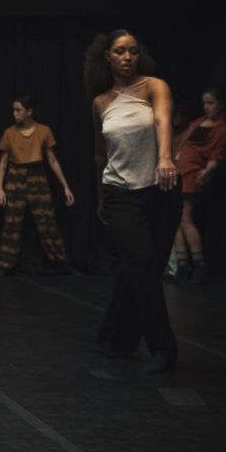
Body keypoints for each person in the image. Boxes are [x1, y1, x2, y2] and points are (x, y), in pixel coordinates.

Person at [85, 29, 180, 373]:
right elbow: (100, 155)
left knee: (142, 269)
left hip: (162, 188)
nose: (127, 57)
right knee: (140, 263)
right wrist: (99, 197)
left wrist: (166, 157)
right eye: (120, 51)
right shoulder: (100, 103)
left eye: (133, 51)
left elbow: (163, 120)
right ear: (107, 57)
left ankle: (114, 338)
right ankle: (164, 348)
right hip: (119, 194)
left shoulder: (155, 86)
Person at [0, 94, 75, 276]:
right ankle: (5, 265)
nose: (14, 113)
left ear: (29, 111)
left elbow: (53, 161)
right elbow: (3, 163)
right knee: (11, 222)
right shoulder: (9, 133)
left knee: (47, 220)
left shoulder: (44, 131)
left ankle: (60, 262)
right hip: (15, 177)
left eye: (18, 110)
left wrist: (65, 186)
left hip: (37, 176)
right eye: (13, 110)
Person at [169, 86, 226, 284]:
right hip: (176, 172)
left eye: (211, 103)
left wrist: (208, 171)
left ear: (221, 105)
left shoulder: (222, 129)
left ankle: (199, 265)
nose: (207, 107)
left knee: (185, 218)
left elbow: (216, 155)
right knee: (174, 220)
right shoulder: (198, 122)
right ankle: (182, 266)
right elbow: (183, 142)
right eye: (205, 103)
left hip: (191, 175)